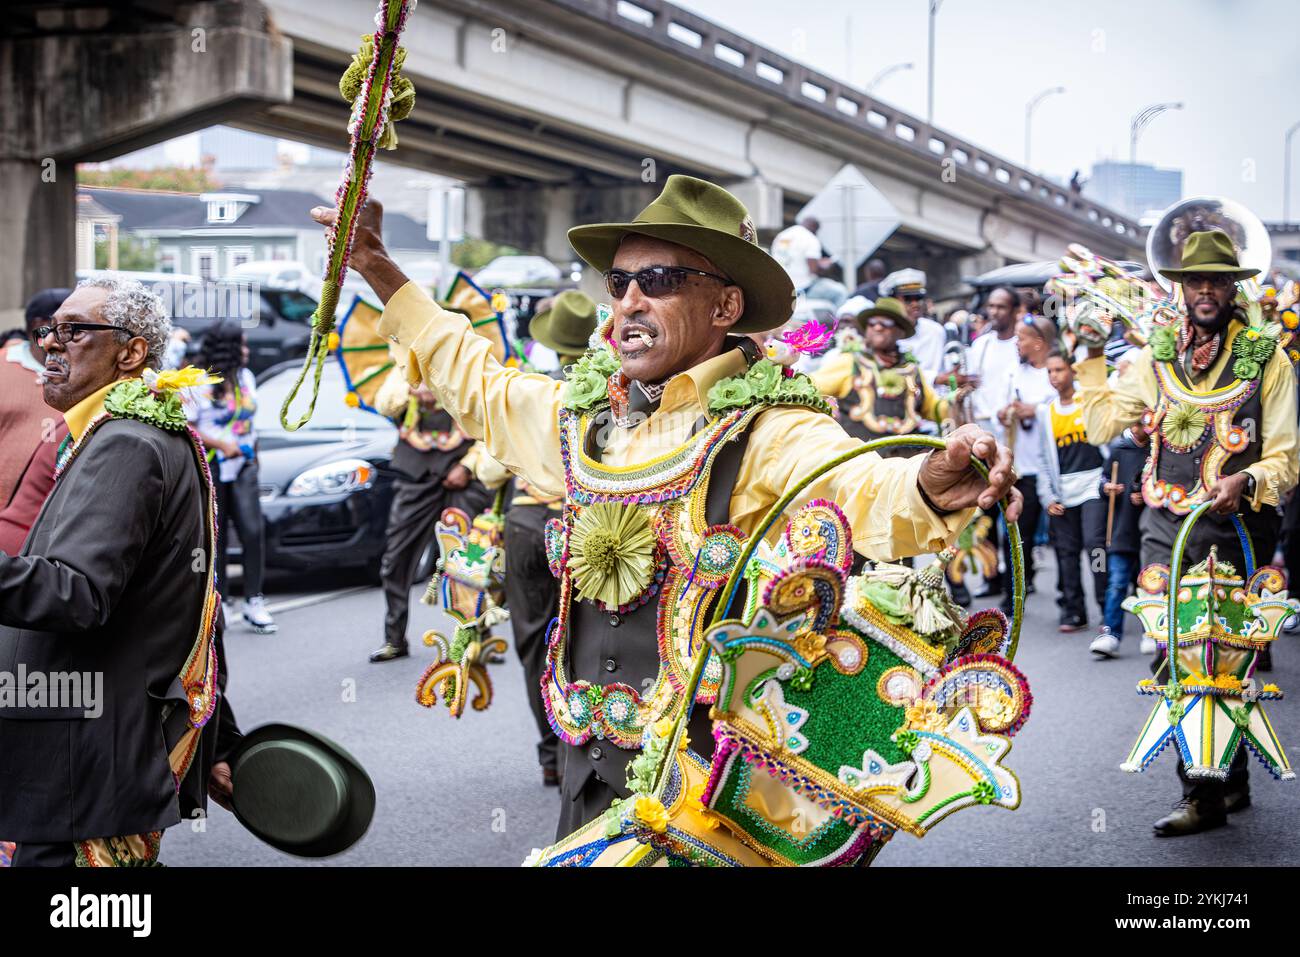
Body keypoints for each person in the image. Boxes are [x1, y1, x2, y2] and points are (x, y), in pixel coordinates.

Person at [312, 175, 1021, 838]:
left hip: (706, 799)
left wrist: (929, 484)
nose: (627, 303)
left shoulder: (770, 428)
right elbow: (478, 381)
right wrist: (378, 268)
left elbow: (861, 487)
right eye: (620, 282)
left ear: (725, 305)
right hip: (586, 777)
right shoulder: (581, 419)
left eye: (658, 281)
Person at [0, 276, 237, 866]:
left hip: (83, 773)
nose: (51, 344)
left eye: (76, 331)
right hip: (91, 767)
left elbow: (74, 595)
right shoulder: (142, 434)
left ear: (131, 353)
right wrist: (218, 736)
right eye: (49, 330)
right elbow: (189, 602)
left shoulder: (127, 443)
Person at [1075, 228, 1299, 836]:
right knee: (1180, 652)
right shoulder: (1154, 355)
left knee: (1225, 657)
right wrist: (1091, 356)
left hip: (1237, 529)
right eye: (1194, 279)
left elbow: (1287, 454)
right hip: (1163, 524)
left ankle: (1231, 784)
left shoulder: (1268, 358)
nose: (1205, 289)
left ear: (1233, 286)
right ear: (1179, 286)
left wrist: (1246, 479)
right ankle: (1201, 794)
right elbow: (1099, 424)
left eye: (1217, 279)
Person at [499, 290, 598, 788]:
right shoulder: (614, 399)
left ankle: (549, 755)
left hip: (523, 525)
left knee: (533, 643)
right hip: (580, 529)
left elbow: (487, 467)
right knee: (585, 640)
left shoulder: (533, 394)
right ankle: (581, 743)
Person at [368, 341, 492, 664]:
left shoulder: (470, 369)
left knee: (470, 558)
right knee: (395, 560)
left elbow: (491, 431)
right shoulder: (406, 366)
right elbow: (384, 404)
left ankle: (476, 639)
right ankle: (394, 638)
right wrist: (414, 386)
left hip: (462, 476)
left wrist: (467, 467)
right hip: (415, 478)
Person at [186, 321, 276, 635]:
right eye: (242, 345)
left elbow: (253, 425)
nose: (247, 351)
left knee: (253, 531)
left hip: (244, 468)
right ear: (227, 348)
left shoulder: (246, 378)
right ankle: (220, 601)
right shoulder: (197, 381)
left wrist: (255, 457)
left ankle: (254, 600)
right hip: (212, 466)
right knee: (217, 535)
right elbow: (188, 427)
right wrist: (222, 444)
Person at [813, 296, 956, 447]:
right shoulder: (849, 362)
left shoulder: (911, 369)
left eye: (886, 323)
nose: (878, 327)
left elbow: (934, 409)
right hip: (861, 461)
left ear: (900, 332)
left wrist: (955, 400)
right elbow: (810, 389)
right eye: (872, 323)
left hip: (908, 462)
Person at [1035, 351, 1107, 634]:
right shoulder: (1047, 412)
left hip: (1093, 486)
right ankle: (1073, 611)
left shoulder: (1087, 403)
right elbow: (1043, 458)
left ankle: (1107, 608)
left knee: (1096, 546)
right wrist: (1048, 497)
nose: (1054, 376)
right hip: (1063, 491)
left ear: (1072, 372)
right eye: (1050, 371)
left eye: (1060, 370)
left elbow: (1107, 442)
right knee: (1066, 553)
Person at [996, 313, 1058, 615]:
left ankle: (1070, 600)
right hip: (1018, 467)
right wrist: (1007, 412)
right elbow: (1003, 407)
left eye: (1022, 338)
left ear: (1039, 342)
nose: (1017, 343)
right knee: (1013, 533)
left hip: (1048, 469)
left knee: (1055, 539)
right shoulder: (1014, 373)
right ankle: (1012, 595)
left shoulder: (1056, 371)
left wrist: (1035, 410)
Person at [0, 290, 71, 554]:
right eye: (62, 325)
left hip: (53, 533)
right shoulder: (4, 366)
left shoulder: (85, 377)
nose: (68, 336)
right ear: (36, 326)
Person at [1090, 428, 1147, 658]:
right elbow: (1102, 481)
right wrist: (1107, 489)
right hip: (1122, 529)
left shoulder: (1159, 450)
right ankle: (1110, 633)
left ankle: (1152, 632)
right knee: (1116, 584)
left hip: (1148, 531)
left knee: (1149, 586)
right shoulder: (1119, 449)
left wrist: (1146, 494)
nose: (1136, 426)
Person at [880, 269, 946, 381]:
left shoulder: (935, 331)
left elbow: (944, 372)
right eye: (908, 299)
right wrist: (935, 378)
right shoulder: (883, 333)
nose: (915, 304)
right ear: (892, 301)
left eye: (918, 298)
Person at [769, 216, 822, 293]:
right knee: (839, 292)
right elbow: (813, 269)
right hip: (803, 286)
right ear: (814, 228)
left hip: (781, 284)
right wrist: (825, 266)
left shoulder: (782, 235)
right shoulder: (810, 238)